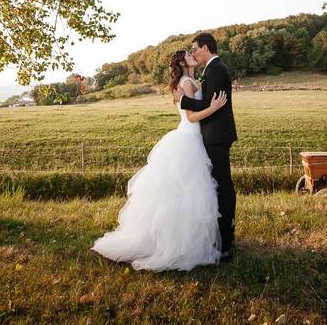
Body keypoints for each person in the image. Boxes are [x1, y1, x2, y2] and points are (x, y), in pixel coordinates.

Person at [91, 49, 228, 271]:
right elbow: (191, 116)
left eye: (194, 53)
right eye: (189, 55)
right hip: (188, 139)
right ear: (183, 63)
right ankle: (177, 245)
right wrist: (213, 107)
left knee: (185, 194)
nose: (193, 55)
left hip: (190, 138)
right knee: (186, 194)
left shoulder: (190, 80)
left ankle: (185, 240)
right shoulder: (186, 82)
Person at [177, 32, 238, 260]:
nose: (193, 52)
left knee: (222, 185)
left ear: (205, 48)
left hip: (217, 135)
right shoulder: (211, 69)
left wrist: (182, 100)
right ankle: (223, 235)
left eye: (195, 49)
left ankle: (226, 242)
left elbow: (209, 104)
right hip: (213, 135)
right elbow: (207, 103)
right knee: (219, 185)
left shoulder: (216, 69)